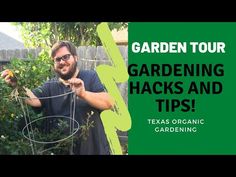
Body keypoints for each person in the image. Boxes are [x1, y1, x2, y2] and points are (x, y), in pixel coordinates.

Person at [1, 41, 114, 155]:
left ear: (75, 57)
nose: (62, 62)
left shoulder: (90, 77)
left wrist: (84, 94)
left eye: (66, 57)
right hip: (61, 151)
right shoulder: (49, 86)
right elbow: (34, 99)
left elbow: (109, 102)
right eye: (57, 59)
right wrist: (17, 85)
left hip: (93, 150)